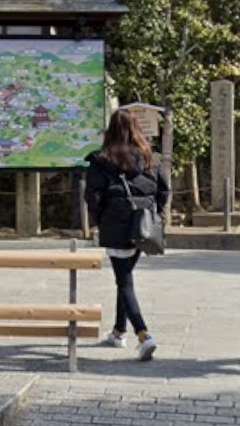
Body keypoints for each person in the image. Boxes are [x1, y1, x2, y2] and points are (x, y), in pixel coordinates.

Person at [85, 110, 170, 362]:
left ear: (111, 130)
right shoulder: (150, 157)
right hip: (143, 228)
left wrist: (101, 220)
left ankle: (144, 335)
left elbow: (93, 197)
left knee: (124, 282)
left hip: (116, 227)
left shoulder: (102, 160)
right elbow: (164, 190)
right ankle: (118, 332)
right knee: (125, 279)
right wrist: (155, 215)